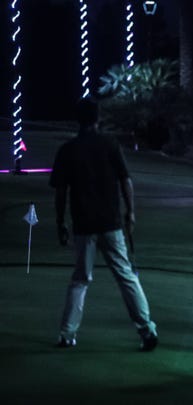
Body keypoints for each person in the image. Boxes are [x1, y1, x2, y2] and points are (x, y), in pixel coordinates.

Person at [49, 97, 158, 351]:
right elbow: (126, 180)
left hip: (84, 225)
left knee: (80, 279)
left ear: (78, 120)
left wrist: (59, 222)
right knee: (126, 276)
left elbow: (60, 192)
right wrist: (130, 212)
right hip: (111, 222)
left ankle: (67, 334)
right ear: (98, 118)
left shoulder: (68, 149)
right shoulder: (110, 144)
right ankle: (146, 330)